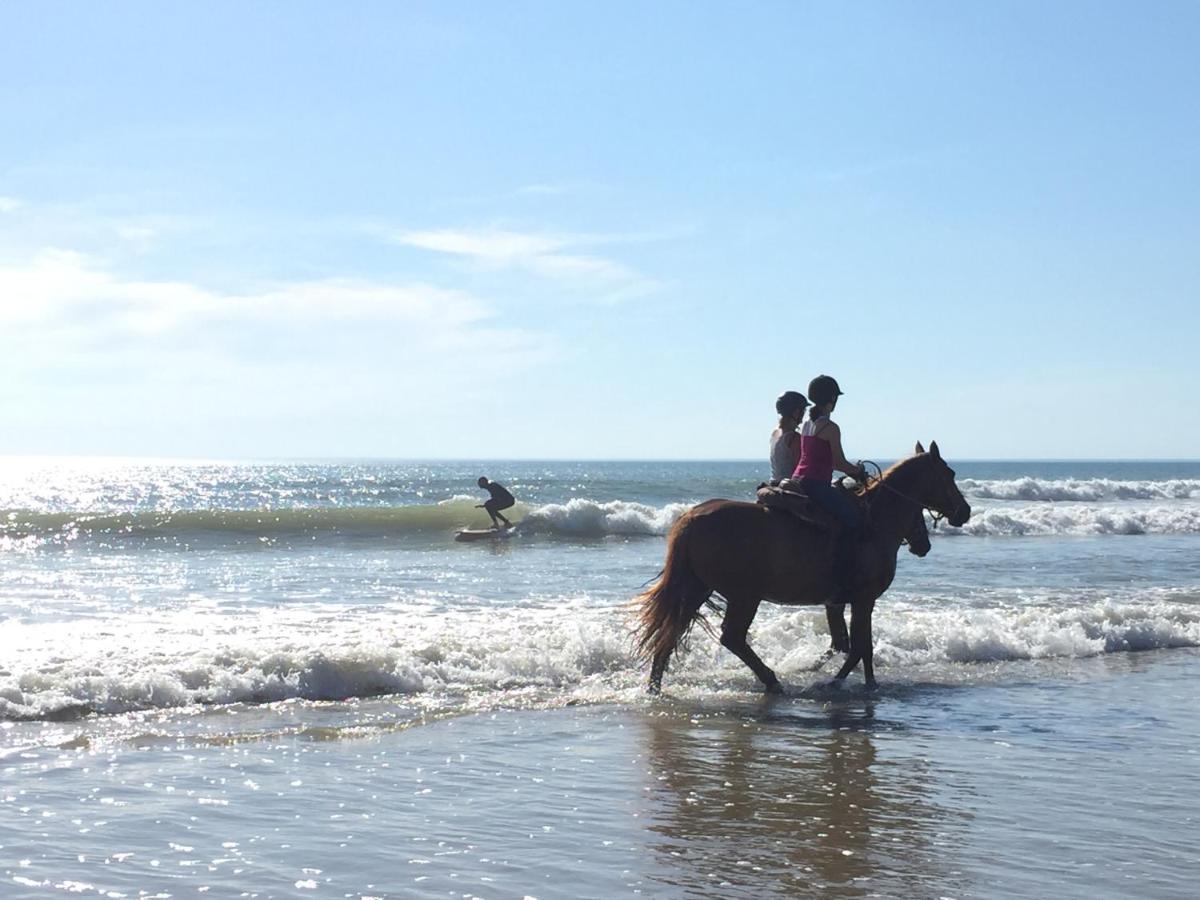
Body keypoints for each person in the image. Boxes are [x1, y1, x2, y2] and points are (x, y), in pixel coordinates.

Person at [791, 375, 868, 600]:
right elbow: (838, 463)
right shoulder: (830, 427)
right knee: (853, 521)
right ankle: (842, 573)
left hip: (798, 480)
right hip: (816, 484)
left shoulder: (806, 424)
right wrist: (858, 471)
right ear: (832, 399)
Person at [769, 390, 809, 483]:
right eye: (803, 411)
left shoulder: (774, 433)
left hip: (774, 483)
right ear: (796, 412)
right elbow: (799, 470)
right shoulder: (794, 438)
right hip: (789, 486)